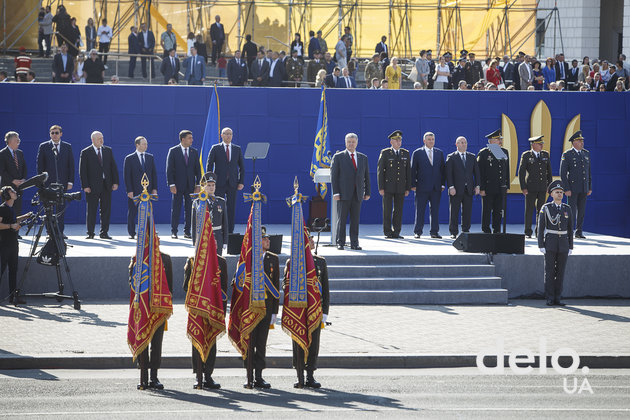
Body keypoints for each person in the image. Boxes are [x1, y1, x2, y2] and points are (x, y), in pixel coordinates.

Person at [285, 230, 330, 388]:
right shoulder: (292, 263)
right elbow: (286, 286)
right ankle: (299, 374)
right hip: (299, 309)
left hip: (315, 309)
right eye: (309, 239)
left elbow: (325, 289)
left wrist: (325, 312)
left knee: (314, 342)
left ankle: (310, 374)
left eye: (311, 238)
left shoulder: (320, 262)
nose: (311, 241)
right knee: (298, 341)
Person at [183, 250, 228, 389]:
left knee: (211, 342)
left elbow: (224, 289)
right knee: (197, 340)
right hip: (197, 310)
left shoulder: (221, 262)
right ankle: (198, 376)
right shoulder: (192, 261)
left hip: (213, 310)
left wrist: (222, 312)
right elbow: (185, 287)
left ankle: (208, 375)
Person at [129, 249, 173, 389]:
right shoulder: (137, 258)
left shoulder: (165, 258)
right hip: (142, 307)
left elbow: (170, 285)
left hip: (158, 308)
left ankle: (154, 376)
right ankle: (143, 376)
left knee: (156, 344)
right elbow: (132, 282)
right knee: (143, 341)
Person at [242, 226, 279, 389]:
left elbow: (276, 287)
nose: (268, 241)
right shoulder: (248, 259)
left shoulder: (273, 259)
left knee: (262, 343)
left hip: (266, 308)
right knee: (249, 342)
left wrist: (275, 312)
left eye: (268, 239)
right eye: (264, 239)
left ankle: (259, 376)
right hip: (251, 308)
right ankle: (249, 375)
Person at [330, 133, 371, 250]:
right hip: (343, 194)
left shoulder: (363, 157)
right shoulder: (338, 157)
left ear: (357, 143)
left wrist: (367, 192)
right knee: (341, 220)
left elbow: (366, 176)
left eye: (353, 142)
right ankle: (340, 242)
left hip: (358, 194)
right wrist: (336, 192)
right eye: (349, 142)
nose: (351, 144)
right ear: (345, 142)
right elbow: (334, 177)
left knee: (355, 220)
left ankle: (354, 243)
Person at [538, 180, 573, 306]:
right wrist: (541, 245)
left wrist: (570, 246)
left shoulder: (567, 209)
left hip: (563, 244)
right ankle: (550, 297)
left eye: (561, 192)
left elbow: (570, 229)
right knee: (550, 272)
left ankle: (558, 297)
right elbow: (540, 228)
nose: (559, 194)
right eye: (557, 192)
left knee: (560, 272)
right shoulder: (546, 208)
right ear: (551, 194)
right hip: (550, 244)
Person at [79, 131, 119, 240]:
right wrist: (85, 186)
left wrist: (115, 182)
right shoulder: (86, 152)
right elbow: (83, 171)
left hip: (106, 185)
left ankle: (104, 232)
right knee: (92, 210)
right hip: (92, 187)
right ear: (93, 140)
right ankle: (90, 233)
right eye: (99, 138)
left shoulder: (108, 151)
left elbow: (113, 168)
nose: (101, 140)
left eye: (102, 138)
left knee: (106, 210)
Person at [36, 125, 74, 236]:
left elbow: (71, 165)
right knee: (49, 210)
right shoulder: (43, 146)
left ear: (61, 134)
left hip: (62, 183)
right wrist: (41, 182)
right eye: (52, 133)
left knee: (60, 209)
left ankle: (60, 232)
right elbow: (40, 166)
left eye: (56, 133)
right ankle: (50, 232)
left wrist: (70, 182)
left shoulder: (67, 146)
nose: (54, 135)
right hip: (48, 184)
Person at [206, 127, 245, 234]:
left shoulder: (237, 149)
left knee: (231, 207)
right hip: (218, 183)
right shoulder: (215, 148)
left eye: (230, 134)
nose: (228, 136)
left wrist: (241, 181)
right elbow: (209, 165)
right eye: (226, 134)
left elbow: (242, 167)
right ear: (221, 135)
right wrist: (210, 182)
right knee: (217, 207)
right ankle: (217, 229)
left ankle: (230, 230)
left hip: (233, 183)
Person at [166, 130, 201, 239]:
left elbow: (198, 170)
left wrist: (198, 185)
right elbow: (169, 169)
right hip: (177, 185)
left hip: (190, 186)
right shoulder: (173, 151)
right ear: (183, 139)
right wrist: (171, 184)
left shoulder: (194, 152)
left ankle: (187, 231)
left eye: (192, 137)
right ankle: (174, 231)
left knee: (189, 209)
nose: (192, 140)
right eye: (189, 138)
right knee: (176, 208)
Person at [411, 132, 445, 239]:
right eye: (429, 139)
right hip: (421, 187)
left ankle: (434, 232)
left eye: (433, 139)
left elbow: (442, 170)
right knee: (420, 210)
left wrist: (443, 184)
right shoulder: (417, 153)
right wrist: (413, 184)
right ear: (424, 141)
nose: (431, 141)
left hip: (436, 188)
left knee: (435, 211)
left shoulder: (439, 153)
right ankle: (418, 231)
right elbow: (413, 171)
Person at [376, 130, 410, 239]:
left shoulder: (405, 153)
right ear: (391, 141)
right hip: (388, 187)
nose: (399, 142)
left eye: (400, 140)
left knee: (399, 210)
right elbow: (380, 171)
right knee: (387, 210)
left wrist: (407, 187)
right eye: (396, 140)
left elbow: (408, 172)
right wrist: (381, 187)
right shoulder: (385, 153)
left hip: (400, 187)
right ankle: (387, 231)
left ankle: (397, 232)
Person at [0, 187, 31, 304]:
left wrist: (24, 216)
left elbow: (13, 220)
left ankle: (13, 297)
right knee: (1, 270)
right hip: (4, 244)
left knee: (13, 270)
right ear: (7, 196)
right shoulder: (2, 208)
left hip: (13, 244)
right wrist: (10, 226)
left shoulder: (11, 209)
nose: (15, 192)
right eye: (12, 191)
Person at [518, 135, 552, 238]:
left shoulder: (545, 154)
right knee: (529, 210)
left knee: (541, 210)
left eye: (542, 143)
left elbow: (549, 172)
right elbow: (521, 172)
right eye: (539, 143)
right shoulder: (527, 155)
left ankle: (539, 232)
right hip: (531, 187)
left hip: (542, 187)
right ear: (533, 145)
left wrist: (549, 186)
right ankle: (528, 231)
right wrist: (523, 187)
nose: (541, 145)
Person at [123, 136, 158, 239]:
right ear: (137, 145)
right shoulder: (129, 158)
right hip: (134, 190)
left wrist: (154, 188)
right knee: (133, 212)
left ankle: (148, 232)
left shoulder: (150, 157)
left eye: (146, 144)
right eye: (144, 144)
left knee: (147, 212)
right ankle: (132, 233)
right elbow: (127, 176)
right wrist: (129, 190)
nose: (146, 146)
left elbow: (153, 174)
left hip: (147, 192)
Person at [445, 136, 480, 238]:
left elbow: (477, 173)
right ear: (456, 144)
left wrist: (477, 186)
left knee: (467, 211)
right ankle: (453, 232)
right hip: (455, 189)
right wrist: (451, 187)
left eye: (465, 142)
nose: (463, 144)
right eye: (461, 142)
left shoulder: (472, 157)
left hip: (468, 189)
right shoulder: (451, 157)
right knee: (454, 212)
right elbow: (448, 174)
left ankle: (465, 230)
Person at [477, 129, 509, 234]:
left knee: (498, 211)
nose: (500, 141)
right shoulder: (484, 153)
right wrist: (481, 188)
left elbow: (505, 169)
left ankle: (497, 230)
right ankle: (486, 230)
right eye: (498, 139)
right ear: (491, 141)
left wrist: (506, 185)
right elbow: (480, 172)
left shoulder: (504, 151)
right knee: (487, 210)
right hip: (488, 187)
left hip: (500, 187)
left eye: (500, 139)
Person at [560, 131, 591, 239]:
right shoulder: (567, 154)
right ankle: (569, 231)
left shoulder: (586, 153)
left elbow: (588, 171)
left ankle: (579, 231)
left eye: (582, 141)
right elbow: (563, 173)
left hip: (583, 187)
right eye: (579, 141)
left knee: (581, 211)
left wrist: (589, 186)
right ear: (573, 142)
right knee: (571, 211)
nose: (582, 143)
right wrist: (566, 188)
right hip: (572, 188)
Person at [191, 172, 228, 254]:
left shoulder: (221, 201)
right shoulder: (197, 202)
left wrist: (225, 241)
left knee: (217, 263)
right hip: (203, 236)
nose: (211, 188)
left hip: (217, 236)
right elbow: (194, 224)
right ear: (203, 187)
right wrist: (194, 241)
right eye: (208, 185)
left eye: (213, 185)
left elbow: (225, 223)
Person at [0, 132, 27, 216]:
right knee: (7, 214)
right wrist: (13, 180)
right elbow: (2, 171)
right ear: (10, 141)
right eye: (17, 140)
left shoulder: (20, 153)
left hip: (19, 188)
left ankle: (16, 229)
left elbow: (24, 168)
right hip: (7, 189)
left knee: (17, 213)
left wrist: (23, 180)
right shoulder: (2, 153)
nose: (19, 142)